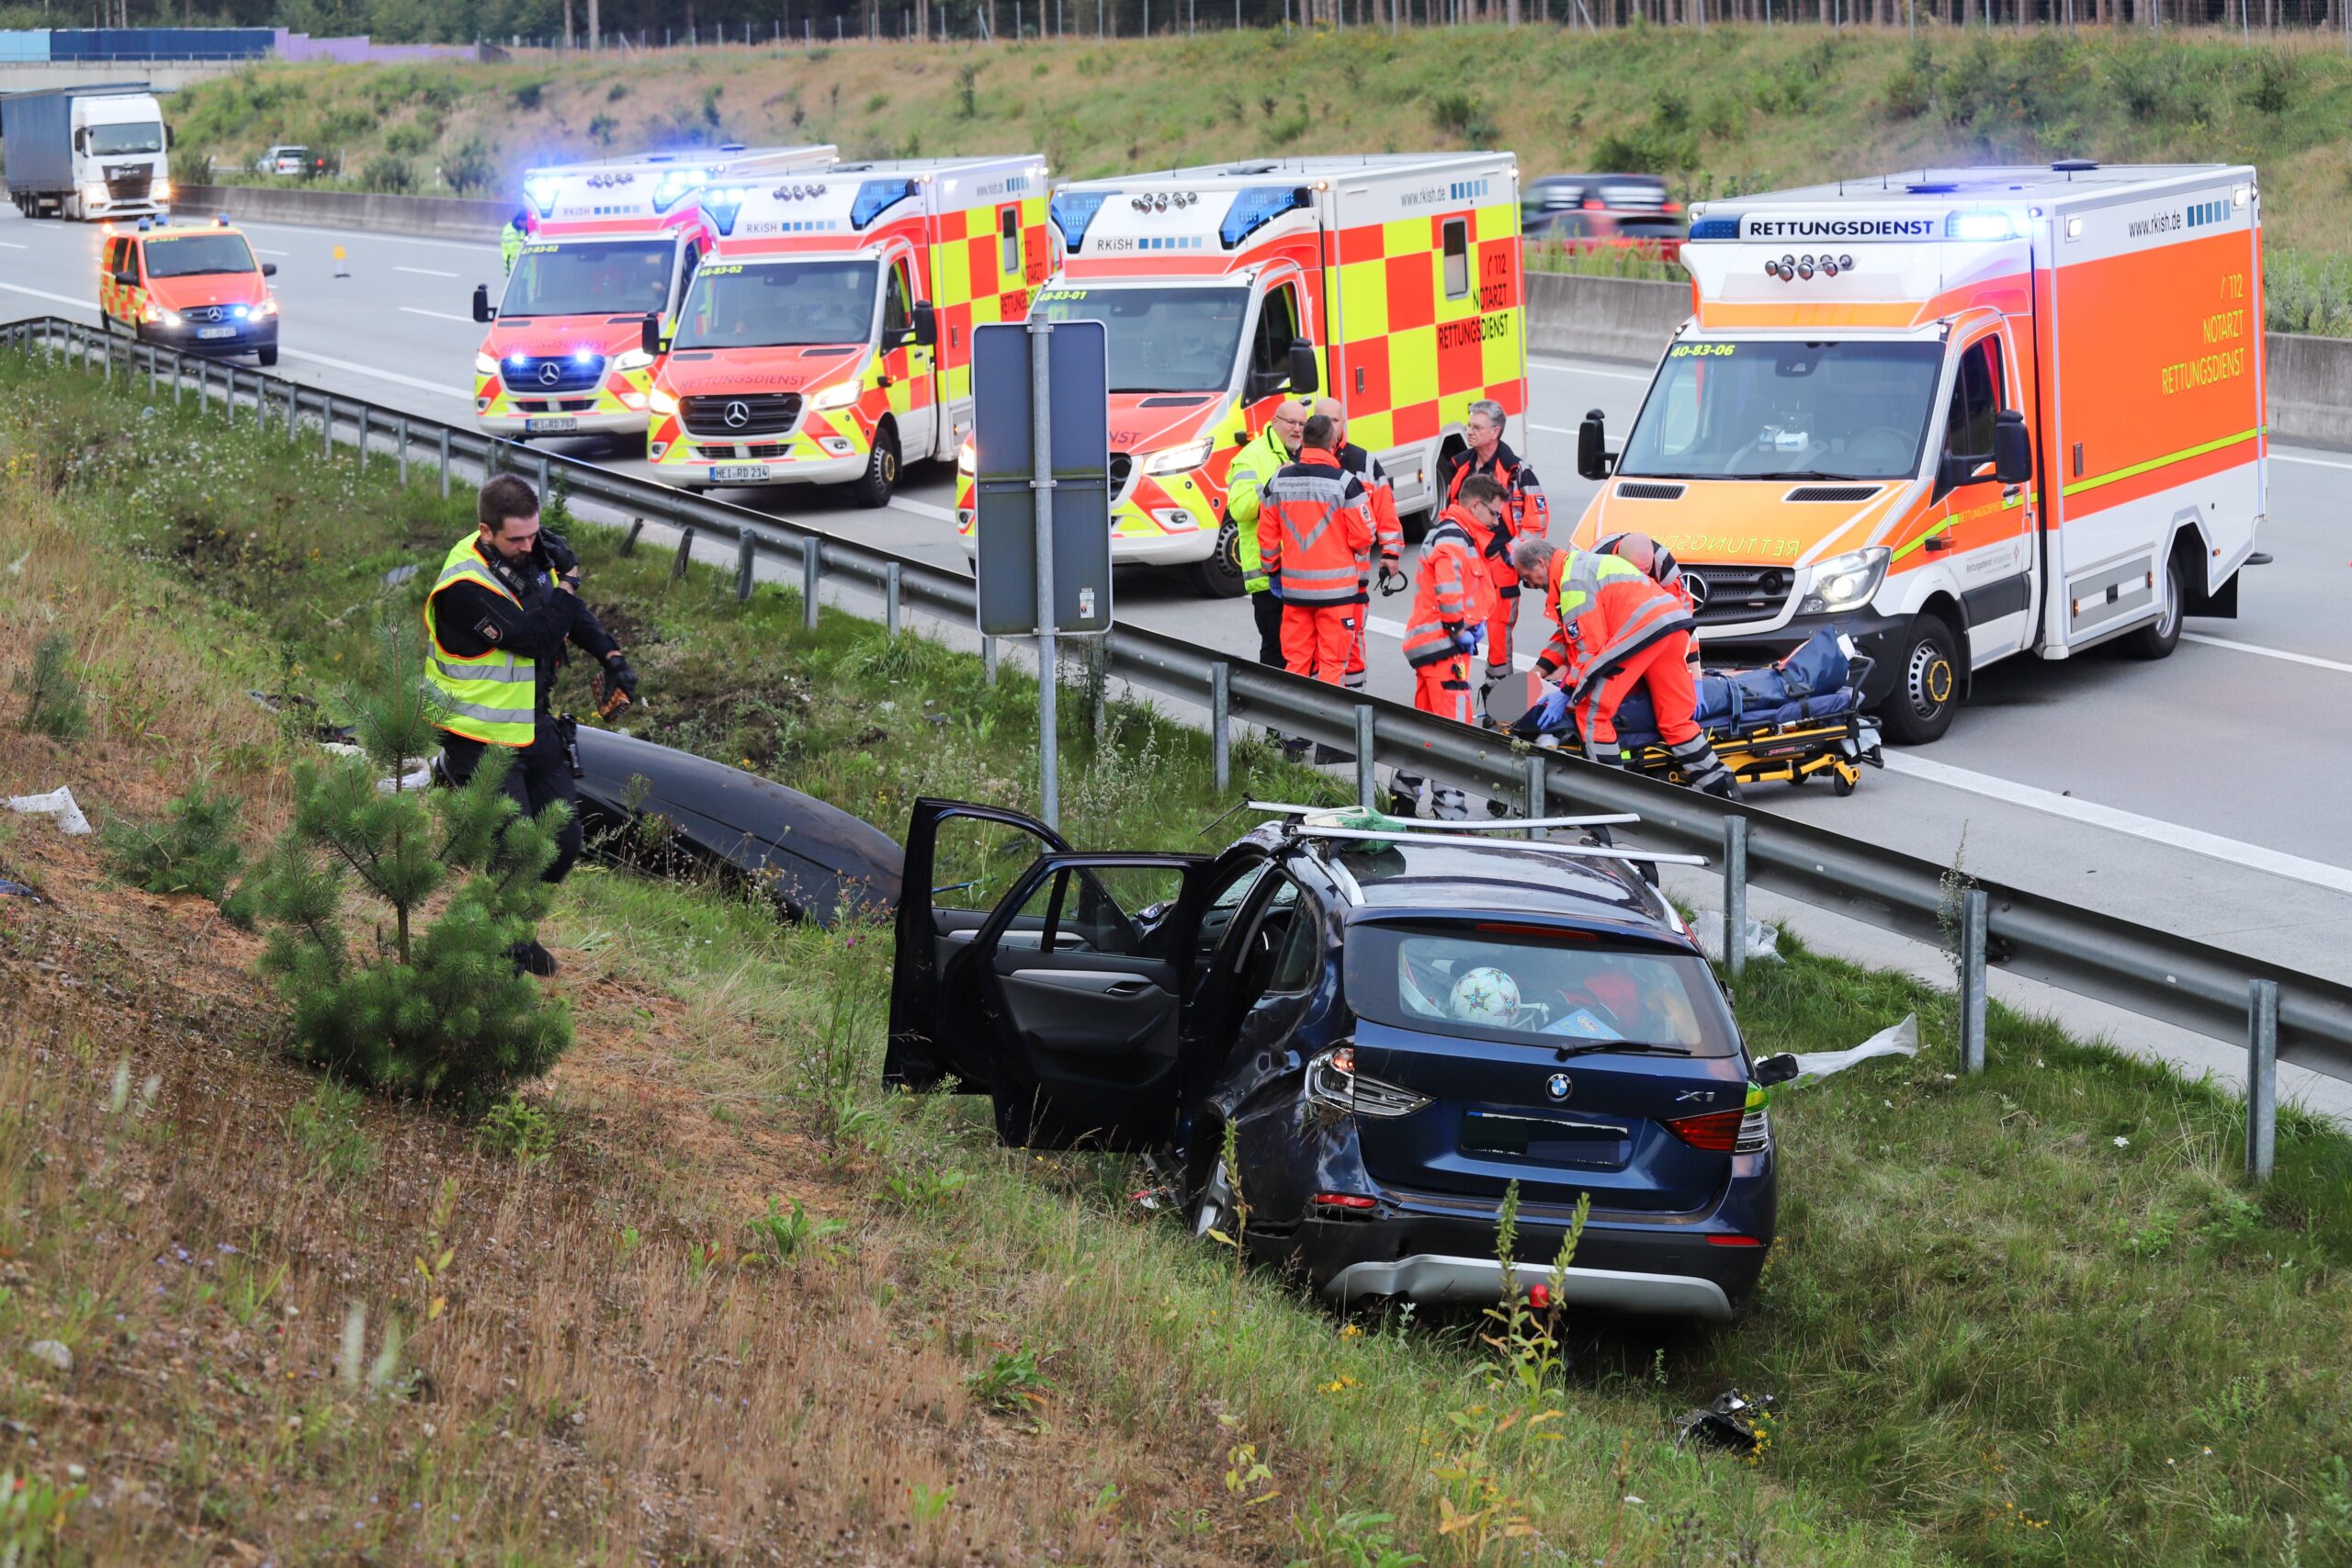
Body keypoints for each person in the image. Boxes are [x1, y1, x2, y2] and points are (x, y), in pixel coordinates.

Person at [424, 475, 640, 975]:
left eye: (533, 535)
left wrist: (612, 658)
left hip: (530, 726)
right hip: (476, 737)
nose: (529, 547)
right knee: (516, 848)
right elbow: (536, 638)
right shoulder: (463, 587)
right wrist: (568, 580)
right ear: (486, 531)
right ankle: (501, 960)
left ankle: (516, 933)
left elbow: (567, 614)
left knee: (562, 844)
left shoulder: (530, 557)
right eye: (516, 539)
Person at [1510, 535, 1739, 800]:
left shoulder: (1573, 582)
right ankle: (1724, 787)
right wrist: (1538, 673)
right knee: (1676, 720)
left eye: (1526, 577)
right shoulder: (1585, 565)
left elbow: (1589, 652)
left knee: (1593, 711)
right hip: (1672, 628)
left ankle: (1610, 801)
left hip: (1643, 634)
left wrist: (1566, 692)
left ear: (1540, 562)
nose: (1528, 584)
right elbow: (1566, 636)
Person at [1390, 474, 1505, 819]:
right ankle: (1450, 815)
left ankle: (1404, 796)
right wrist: (1458, 629)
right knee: (1455, 733)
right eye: (1494, 514)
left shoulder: (1455, 532)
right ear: (1476, 505)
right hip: (1444, 649)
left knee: (1429, 729)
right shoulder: (1455, 536)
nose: (1496, 521)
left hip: (1434, 648)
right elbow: (1449, 587)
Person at [1433, 400, 1550, 708]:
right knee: (1459, 631)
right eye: (1469, 425)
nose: (1469, 432)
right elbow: (1451, 513)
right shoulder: (1462, 466)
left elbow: (1536, 523)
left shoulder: (1517, 472)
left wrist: (1510, 555)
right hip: (1468, 565)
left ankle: (1499, 706)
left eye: (1476, 427)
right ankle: (1458, 695)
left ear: (1495, 431)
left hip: (1500, 568)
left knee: (1499, 642)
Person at [1258, 412, 1373, 693]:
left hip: (1295, 593)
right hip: (1336, 594)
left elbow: (1267, 536)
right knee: (1332, 665)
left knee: (1296, 664)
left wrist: (1272, 568)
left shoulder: (1279, 480)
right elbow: (1364, 536)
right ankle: (1327, 734)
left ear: (1304, 441)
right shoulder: (1345, 483)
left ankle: (1291, 735)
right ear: (1333, 443)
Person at [1314, 398, 1405, 693]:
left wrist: (1391, 553)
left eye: (1336, 421)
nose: (1331, 427)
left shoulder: (1364, 463)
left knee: (1352, 648)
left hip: (1353, 581)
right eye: (1325, 421)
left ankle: (1354, 714)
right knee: (1315, 654)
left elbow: (1385, 513)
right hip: (1312, 581)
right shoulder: (1299, 462)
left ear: (1344, 423)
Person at [1222, 400, 1308, 665]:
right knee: (1276, 653)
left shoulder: (1304, 452)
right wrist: (1274, 482)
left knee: (1301, 652)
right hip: (1267, 577)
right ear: (1275, 423)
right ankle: (1271, 706)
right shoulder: (1252, 456)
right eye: (1291, 423)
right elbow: (1238, 509)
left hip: (1302, 574)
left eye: (1302, 424)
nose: (1297, 429)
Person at [501, 209, 529, 276]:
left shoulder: (521, 229)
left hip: (523, 270)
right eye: (525, 223)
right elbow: (515, 252)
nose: (526, 226)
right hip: (514, 269)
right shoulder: (510, 232)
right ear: (520, 221)